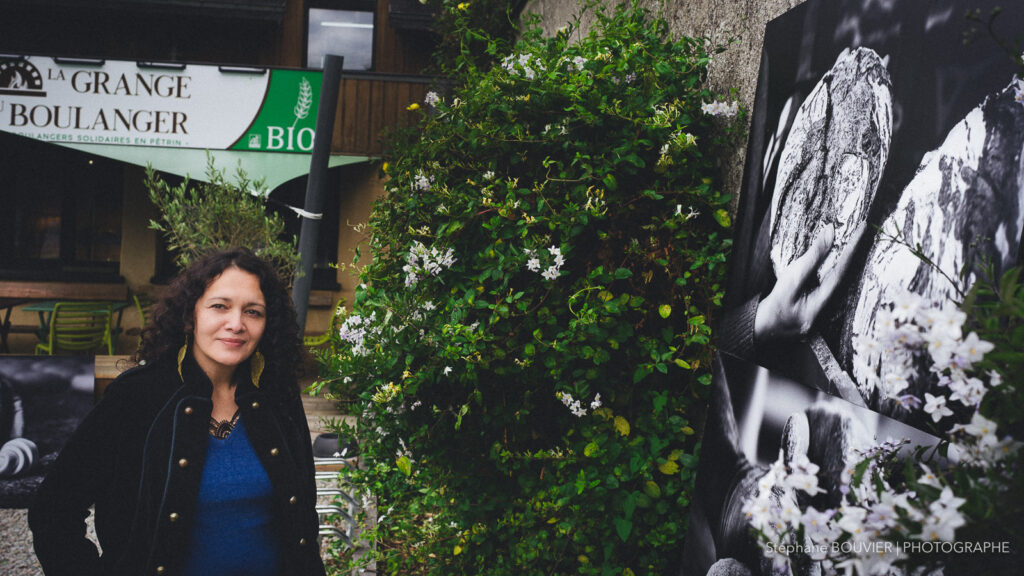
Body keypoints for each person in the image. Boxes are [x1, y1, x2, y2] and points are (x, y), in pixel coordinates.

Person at [28, 247, 327, 576]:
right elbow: (54, 510)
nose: (237, 323)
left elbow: (303, 518)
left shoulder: (278, 396)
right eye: (220, 306)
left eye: (253, 312)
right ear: (190, 314)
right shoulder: (137, 396)